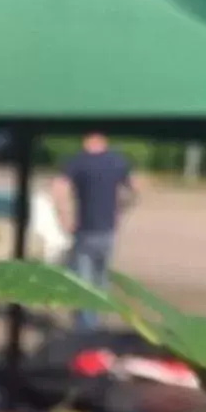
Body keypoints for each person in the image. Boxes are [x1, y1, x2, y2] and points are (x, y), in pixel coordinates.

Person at [51, 133, 139, 329]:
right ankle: (98, 323)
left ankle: (86, 329)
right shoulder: (118, 161)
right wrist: (120, 209)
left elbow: (58, 188)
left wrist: (64, 218)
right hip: (108, 230)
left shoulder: (77, 161)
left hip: (85, 229)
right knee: (101, 278)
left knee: (83, 282)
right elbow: (135, 188)